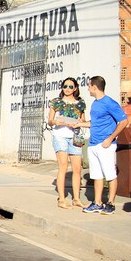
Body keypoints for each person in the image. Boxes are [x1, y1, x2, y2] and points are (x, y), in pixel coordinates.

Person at [76, 76, 127, 215]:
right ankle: (97, 202)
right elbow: (95, 122)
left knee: (110, 174)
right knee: (96, 175)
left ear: (94, 87)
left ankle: (110, 203)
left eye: (89, 85)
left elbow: (123, 121)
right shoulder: (95, 103)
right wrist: (79, 124)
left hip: (105, 145)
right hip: (93, 144)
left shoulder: (109, 103)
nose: (87, 88)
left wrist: (110, 138)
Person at [47, 77, 87, 208]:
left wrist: (78, 124)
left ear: (75, 88)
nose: (67, 89)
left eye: (70, 86)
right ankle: (62, 199)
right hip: (60, 136)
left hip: (74, 136)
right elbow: (50, 120)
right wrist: (55, 122)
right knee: (63, 166)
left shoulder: (80, 104)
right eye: (65, 86)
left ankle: (76, 198)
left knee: (77, 168)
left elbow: (83, 121)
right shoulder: (56, 102)